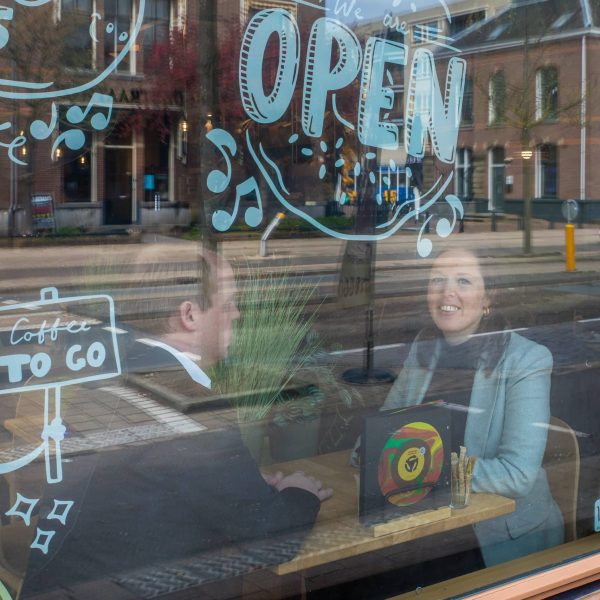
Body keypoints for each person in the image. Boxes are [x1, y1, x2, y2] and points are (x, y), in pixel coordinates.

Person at [20, 248, 332, 598]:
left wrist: (243, 481)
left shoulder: (113, 378)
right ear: (190, 315)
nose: (237, 314)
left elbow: (151, 483)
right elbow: (269, 539)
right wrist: (299, 492)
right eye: (227, 303)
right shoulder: (187, 405)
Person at [381, 247, 564, 567]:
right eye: (437, 279)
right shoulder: (425, 351)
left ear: (488, 298)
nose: (446, 292)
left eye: (463, 280)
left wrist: (421, 473)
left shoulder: (527, 360)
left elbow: (517, 475)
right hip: (424, 521)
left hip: (494, 535)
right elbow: (385, 429)